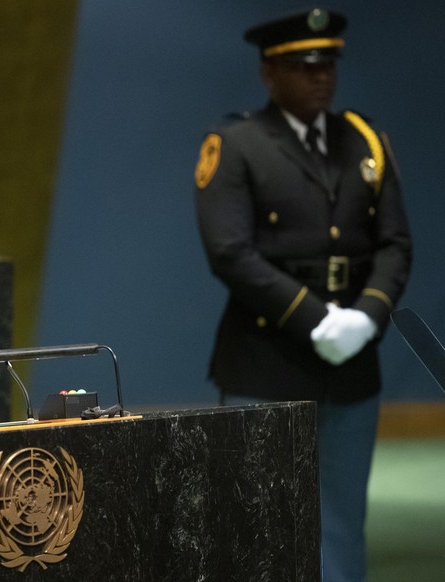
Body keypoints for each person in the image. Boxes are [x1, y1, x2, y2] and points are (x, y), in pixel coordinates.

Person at [194, 8, 411, 582]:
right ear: (269, 73)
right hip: (267, 362)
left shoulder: (363, 140)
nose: (321, 76)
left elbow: (394, 244)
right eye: (303, 65)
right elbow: (230, 252)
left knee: (342, 526)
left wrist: (367, 318)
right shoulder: (236, 143)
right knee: (257, 522)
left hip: (352, 368)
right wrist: (315, 320)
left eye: (329, 63)